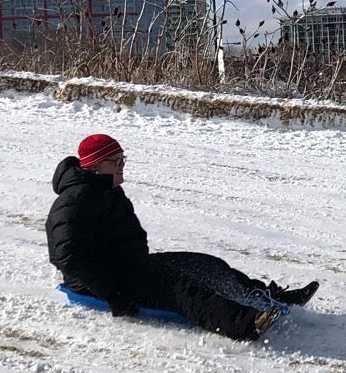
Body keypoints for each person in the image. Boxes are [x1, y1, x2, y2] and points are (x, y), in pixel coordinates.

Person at [46, 133, 316, 339]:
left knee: (207, 265)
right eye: (115, 162)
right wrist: (113, 294)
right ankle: (246, 323)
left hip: (128, 267)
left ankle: (272, 296)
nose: (122, 166)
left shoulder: (107, 190)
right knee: (181, 287)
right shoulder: (76, 201)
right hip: (101, 280)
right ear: (95, 167)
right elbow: (69, 257)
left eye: (122, 160)